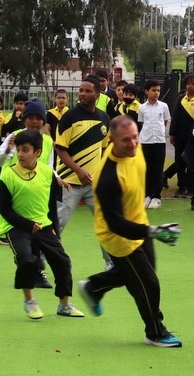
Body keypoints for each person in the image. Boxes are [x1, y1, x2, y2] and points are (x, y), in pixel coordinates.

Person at [78, 116, 182, 348]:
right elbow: (116, 224)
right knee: (148, 284)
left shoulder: (137, 150)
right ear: (112, 140)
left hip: (139, 222)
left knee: (140, 276)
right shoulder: (107, 177)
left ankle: (94, 287)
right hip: (117, 236)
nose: (133, 143)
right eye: (126, 140)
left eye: (136, 137)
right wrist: (155, 231)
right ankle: (155, 332)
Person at [0, 129, 84, 320]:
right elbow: (4, 210)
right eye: (18, 149)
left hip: (43, 225)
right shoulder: (8, 175)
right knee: (27, 259)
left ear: (37, 152)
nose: (20, 154)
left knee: (62, 260)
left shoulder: (47, 173)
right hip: (17, 227)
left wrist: (56, 233)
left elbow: (51, 206)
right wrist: (27, 225)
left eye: (25, 150)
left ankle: (64, 305)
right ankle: (30, 301)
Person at [55, 75, 112, 269]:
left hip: (93, 184)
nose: (82, 94)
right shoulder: (69, 117)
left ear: (97, 94)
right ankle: (39, 263)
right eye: (81, 90)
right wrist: (78, 171)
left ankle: (111, 263)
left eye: (87, 91)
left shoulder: (104, 118)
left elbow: (104, 149)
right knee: (56, 225)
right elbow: (60, 149)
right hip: (68, 182)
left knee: (105, 223)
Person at [137, 79, 169, 209]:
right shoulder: (142, 108)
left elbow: (165, 121)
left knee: (157, 170)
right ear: (146, 91)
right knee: (146, 170)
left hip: (159, 142)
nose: (156, 93)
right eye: (153, 90)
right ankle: (147, 195)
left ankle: (156, 196)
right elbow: (142, 123)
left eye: (158, 91)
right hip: (145, 142)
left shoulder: (164, 106)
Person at [168, 74, 194, 199]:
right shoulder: (180, 99)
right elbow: (175, 118)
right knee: (179, 162)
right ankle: (181, 187)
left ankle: (190, 189)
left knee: (190, 163)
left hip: (192, 139)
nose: (190, 86)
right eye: (188, 84)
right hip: (180, 136)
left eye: (193, 84)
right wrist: (172, 134)